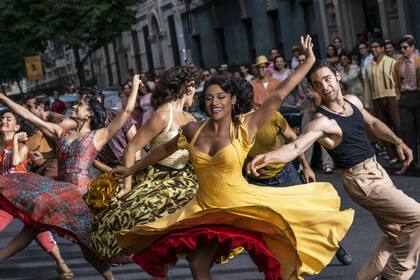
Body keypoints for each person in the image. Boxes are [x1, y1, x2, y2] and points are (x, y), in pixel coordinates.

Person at [111, 36, 354, 280]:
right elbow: (164, 150)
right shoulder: (193, 130)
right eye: (208, 97)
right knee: (197, 263)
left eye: (220, 97)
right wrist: (132, 169)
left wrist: (308, 61)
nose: (214, 102)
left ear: (232, 100)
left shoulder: (245, 127)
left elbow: (278, 95)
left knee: (278, 257)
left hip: (242, 206)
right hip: (207, 209)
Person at [248, 60, 420, 280]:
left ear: (337, 77)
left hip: (377, 170)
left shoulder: (353, 101)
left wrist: (397, 141)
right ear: (314, 89)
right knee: (417, 217)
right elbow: (296, 146)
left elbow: (374, 124)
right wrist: (269, 156)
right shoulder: (322, 122)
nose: (324, 86)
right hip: (362, 181)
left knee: (395, 233)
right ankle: (395, 276)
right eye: (317, 84)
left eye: (327, 79)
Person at [0, 74, 142, 279]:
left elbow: (127, 111)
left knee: (91, 247)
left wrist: (136, 85)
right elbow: (31, 117)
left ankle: (129, 267)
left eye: (80, 105)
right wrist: (4, 99)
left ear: (89, 114)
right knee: (30, 230)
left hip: (80, 198)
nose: (74, 107)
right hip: (58, 194)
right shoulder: (61, 133)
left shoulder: (98, 136)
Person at [88, 65, 200, 261]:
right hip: (158, 178)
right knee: (130, 222)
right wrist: (127, 186)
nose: (196, 91)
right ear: (188, 87)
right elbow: (131, 148)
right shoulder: (163, 114)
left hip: (186, 179)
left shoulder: (190, 117)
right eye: (195, 86)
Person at [0, 111, 73, 279]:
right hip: (4, 196)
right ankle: (62, 264)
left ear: (17, 127)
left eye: (8, 119)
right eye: (2, 118)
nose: (3, 120)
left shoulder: (23, 146)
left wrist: (16, 140)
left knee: (40, 234)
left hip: (21, 194)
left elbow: (16, 162)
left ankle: (61, 263)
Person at [364, 38, 400, 165]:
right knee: (382, 128)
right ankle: (392, 155)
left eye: (376, 47)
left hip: (391, 97)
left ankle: (402, 151)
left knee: (397, 126)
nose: (374, 50)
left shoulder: (391, 62)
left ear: (382, 48)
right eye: (372, 48)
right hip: (376, 98)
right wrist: (367, 103)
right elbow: (367, 86)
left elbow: (397, 81)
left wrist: (398, 96)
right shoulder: (368, 66)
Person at [393, 34, 420, 175]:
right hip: (405, 99)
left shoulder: (418, 61)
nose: (403, 50)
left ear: (412, 47)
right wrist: (399, 98)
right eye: (401, 48)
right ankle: (410, 165)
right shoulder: (398, 64)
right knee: (408, 135)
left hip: (418, 96)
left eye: (405, 47)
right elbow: (396, 84)